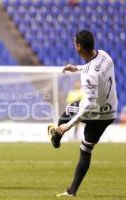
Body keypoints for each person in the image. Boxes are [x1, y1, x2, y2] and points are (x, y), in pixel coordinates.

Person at [48, 30, 117, 197]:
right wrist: (77, 68)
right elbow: (94, 67)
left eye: (74, 43)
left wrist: (68, 126)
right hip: (110, 112)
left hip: (95, 111)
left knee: (68, 111)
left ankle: (56, 136)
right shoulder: (104, 55)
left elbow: (89, 105)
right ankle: (72, 191)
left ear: (78, 46)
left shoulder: (88, 76)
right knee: (86, 148)